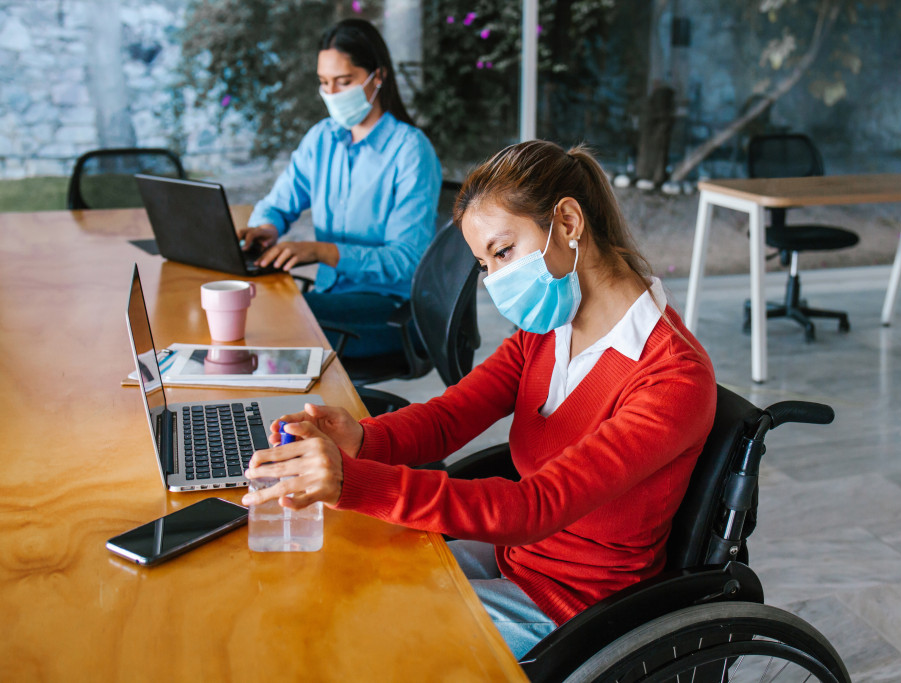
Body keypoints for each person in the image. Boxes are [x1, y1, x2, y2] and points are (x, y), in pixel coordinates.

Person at [240, 140, 717, 658]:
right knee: (345, 578)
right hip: (517, 556)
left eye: (503, 251)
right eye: (485, 263)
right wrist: (363, 437)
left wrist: (352, 482)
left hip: (576, 605)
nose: (495, 280)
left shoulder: (672, 378)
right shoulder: (550, 326)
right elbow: (451, 416)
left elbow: (534, 507)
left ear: (569, 221)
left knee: (365, 630)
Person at [238, 18, 442, 357]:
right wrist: (266, 228)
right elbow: (277, 203)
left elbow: (408, 260)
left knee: (273, 320)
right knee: (254, 303)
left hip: (390, 310)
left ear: (378, 76)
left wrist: (322, 251)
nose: (331, 95)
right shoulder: (322, 139)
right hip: (332, 296)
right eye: (324, 83)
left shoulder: (411, 150)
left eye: (343, 82)